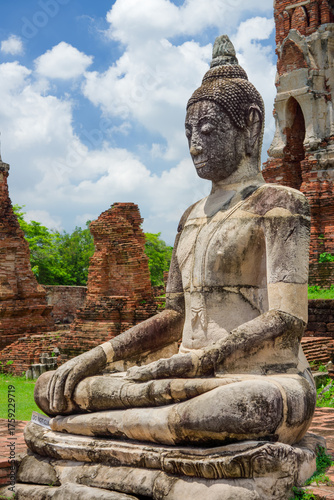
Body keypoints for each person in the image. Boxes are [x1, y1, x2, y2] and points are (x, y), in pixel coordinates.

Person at [35, 35, 316, 447]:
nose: (194, 145)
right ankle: (123, 421)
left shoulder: (280, 203)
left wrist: (199, 362)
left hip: (256, 377)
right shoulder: (190, 216)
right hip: (175, 376)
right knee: (52, 386)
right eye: (188, 133)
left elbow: (288, 318)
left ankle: (83, 430)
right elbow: (174, 314)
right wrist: (95, 356)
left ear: (251, 125)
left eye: (206, 129)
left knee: (236, 406)